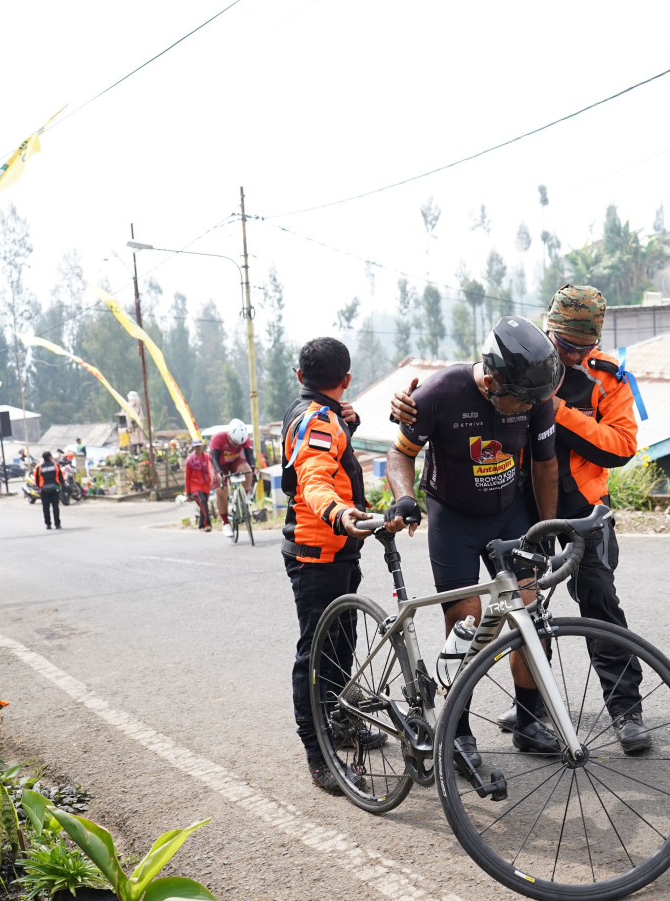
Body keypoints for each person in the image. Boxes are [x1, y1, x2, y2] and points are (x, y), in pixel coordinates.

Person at [392, 286, 651, 753]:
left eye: (584, 347)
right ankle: (492, 720)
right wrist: (409, 413)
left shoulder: (604, 378)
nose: (573, 355)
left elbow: (617, 448)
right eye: (565, 345)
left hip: (573, 506)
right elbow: (434, 415)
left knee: (588, 603)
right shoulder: (510, 362)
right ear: (549, 331)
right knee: (495, 618)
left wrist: (554, 409)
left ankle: (620, 710)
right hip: (499, 505)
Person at [384, 316, 562, 768]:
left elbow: (545, 465)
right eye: (519, 402)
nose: (528, 408)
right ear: (492, 380)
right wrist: (405, 497)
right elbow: (400, 453)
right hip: (454, 519)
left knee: (530, 616)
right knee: (467, 623)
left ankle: (527, 721)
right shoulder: (440, 393)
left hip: (509, 513)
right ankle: (458, 731)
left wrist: (545, 530)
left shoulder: (534, 394)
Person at [281, 336, 398, 794]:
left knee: (341, 644)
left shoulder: (320, 414)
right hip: (318, 553)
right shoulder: (318, 420)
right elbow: (313, 477)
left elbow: (328, 457)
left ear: (300, 376)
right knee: (315, 654)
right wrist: (339, 512)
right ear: (346, 379)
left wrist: (347, 420)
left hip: (337, 549)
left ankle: (341, 722)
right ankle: (318, 754)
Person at [209, 418, 256, 536]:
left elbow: (249, 456)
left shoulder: (244, 438)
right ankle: (225, 523)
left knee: (247, 471)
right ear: (229, 436)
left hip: (234, 460)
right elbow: (215, 459)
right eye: (234, 443)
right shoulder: (217, 438)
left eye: (239, 444)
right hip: (219, 463)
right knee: (221, 491)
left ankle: (244, 498)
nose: (236, 446)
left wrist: (253, 467)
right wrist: (219, 472)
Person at [184, 441, 213, 530]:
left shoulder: (207, 457)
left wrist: (212, 482)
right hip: (195, 486)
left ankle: (201, 525)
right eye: (196, 446)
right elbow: (187, 477)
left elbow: (211, 470)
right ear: (193, 447)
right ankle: (207, 524)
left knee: (203, 505)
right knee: (203, 502)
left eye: (199, 446)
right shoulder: (190, 460)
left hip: (206, 485)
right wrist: (188, 493)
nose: (198, 448)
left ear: (202, 446)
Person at [32, 451, 64, 530]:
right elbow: (61, 476)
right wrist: (62, 484)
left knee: (46, 508)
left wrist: (39, 487)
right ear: (50, 457)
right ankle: (57, 524)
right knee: (55, 507)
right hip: (54, 489)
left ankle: (48, 524)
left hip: (44, 490)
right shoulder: (56, 465)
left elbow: (36, 479)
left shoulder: (39, 467)